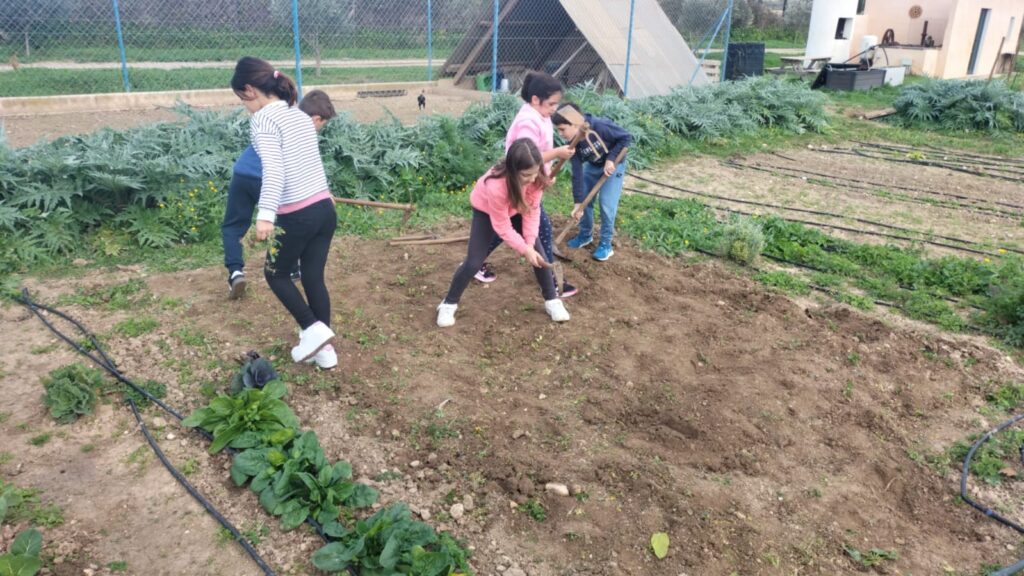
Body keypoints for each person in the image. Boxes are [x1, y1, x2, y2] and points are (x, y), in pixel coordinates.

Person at [231, 57, 338, 368]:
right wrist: (325, 192)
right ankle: (325, 353)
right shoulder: (298, 115)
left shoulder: (263, 120)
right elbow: (309, 160)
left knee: (275, 274)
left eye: (241, 99)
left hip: (298, 214)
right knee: (313, 277)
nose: (245, 106)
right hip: (324, 209)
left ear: (250, 90)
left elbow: (274, 169)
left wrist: (265, 214)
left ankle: (313, 330)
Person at [436, 138, 570, 328]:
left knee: (538, 252)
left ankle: (552, 300)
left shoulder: (538, 177)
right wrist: (524, 250)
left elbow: (532, 211)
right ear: (513, 171)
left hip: (518, 208)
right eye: (526, 175)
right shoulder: (496, 185)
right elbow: (502, 226)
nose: (532, 179)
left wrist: (529, 243)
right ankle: (448, 304)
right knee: (474, 262)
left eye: (535, 173)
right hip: (486, 210)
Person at [222, 88, 336, 300]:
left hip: (242, 174)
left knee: (233, 225)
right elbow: (303, 167)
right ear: (316, 118)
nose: (320, 128)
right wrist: (320, 192)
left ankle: (235, 272)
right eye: (322, 124)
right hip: (267, 179)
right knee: (286, 220)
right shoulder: (301, 129)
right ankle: (290, 268)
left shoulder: (277, 120)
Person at [474, 72, 578, 298]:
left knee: (507, 227)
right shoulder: (527, 122)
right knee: (540, 229)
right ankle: (551, 282)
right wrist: (557, 153)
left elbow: (537, 159)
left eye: (556, 104)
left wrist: (544, 176)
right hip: (521, 184)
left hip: (531, 183)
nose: (554, 109)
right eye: (551, 104)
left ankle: (475, 261)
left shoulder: (541, 115)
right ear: (535, 99)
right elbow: (529, 158)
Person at [551, 102, 632, 261]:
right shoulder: (572, 145)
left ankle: (606, 244)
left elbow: (625, 137)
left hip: (614, 166)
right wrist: (577, 203)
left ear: (575, 124)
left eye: (562, 129)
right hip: (593, 166)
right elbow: (577, 173)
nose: (560, 134)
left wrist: (611, 159)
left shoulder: (600, 126)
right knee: (584, 201)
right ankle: (585, 234)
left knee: (606, 204)